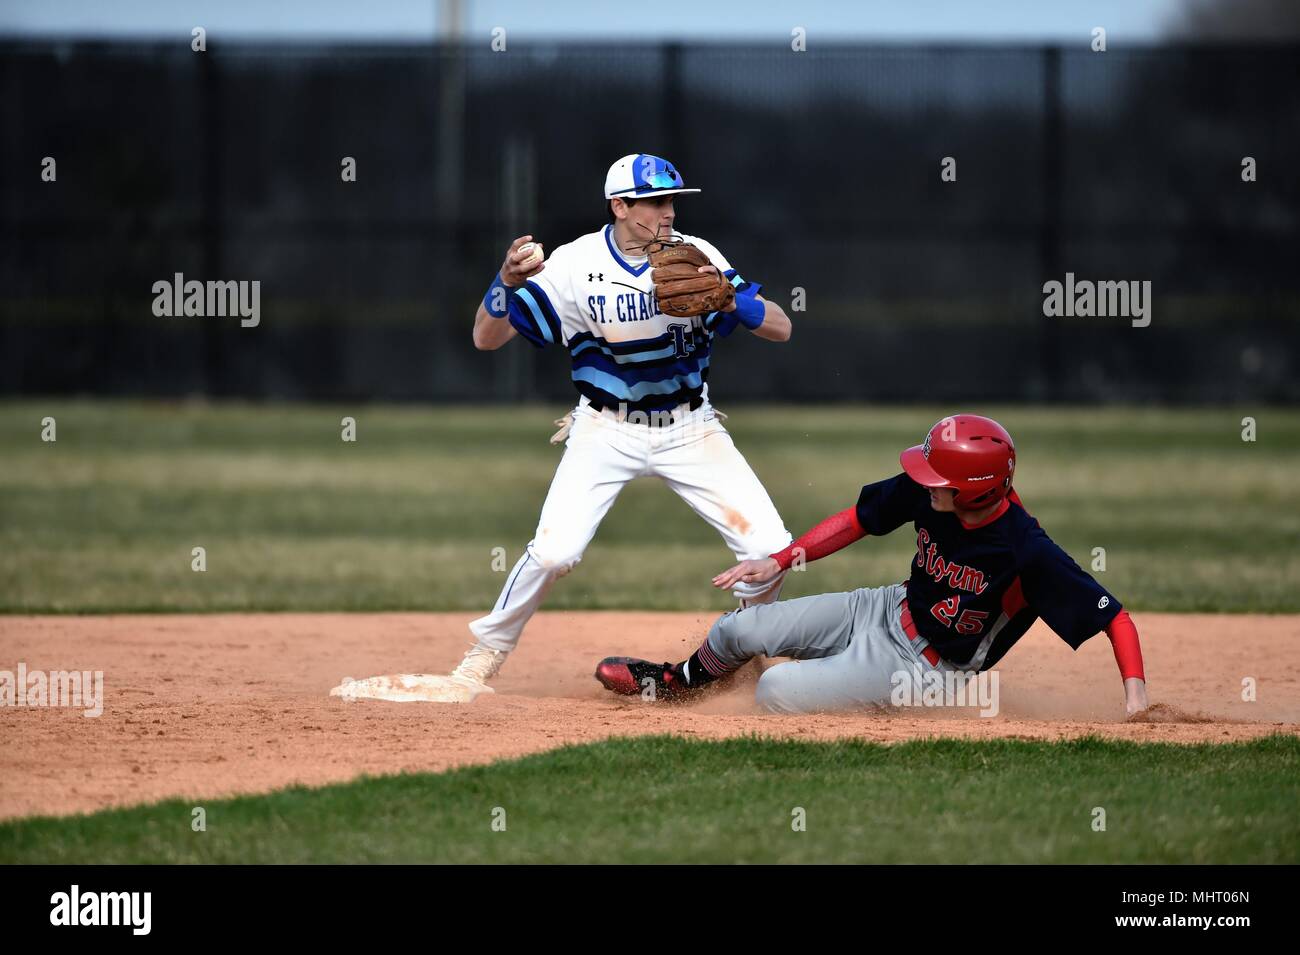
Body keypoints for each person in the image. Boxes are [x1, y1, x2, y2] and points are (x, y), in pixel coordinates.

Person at [446, 153, 795, 695]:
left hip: (690, 426)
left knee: (770, 550)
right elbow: (485, 339)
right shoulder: (574, 264)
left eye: (672, 201)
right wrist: (504, 280)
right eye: (655, 202)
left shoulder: (698, 256)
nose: (668, 212)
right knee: (556, 552)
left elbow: (781, 328)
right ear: (620, 205)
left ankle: (739, 655)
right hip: (606, 428)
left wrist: (731, 301)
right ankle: (485, 653)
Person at [595, 414, 1150, 717]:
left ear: (972, 492)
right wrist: (781, 559)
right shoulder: (937, 490)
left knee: (774, 693)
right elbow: (858, 520)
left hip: (929, 672)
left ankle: (824, 681)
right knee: (740, 626)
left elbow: (1114, 617)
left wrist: (1137, 701)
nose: (922, 482)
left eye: (936, 480)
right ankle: (679, 683)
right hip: (885, 607)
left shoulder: (1025, 548)